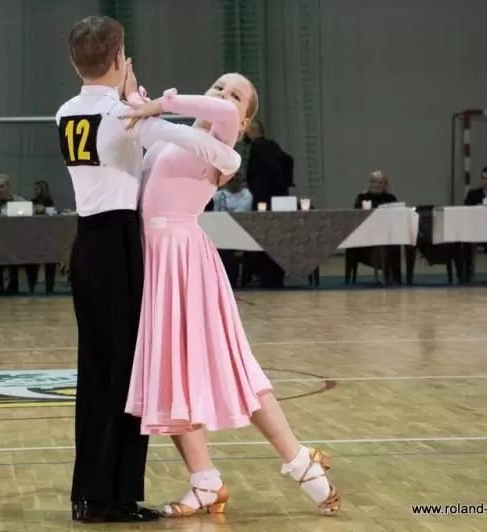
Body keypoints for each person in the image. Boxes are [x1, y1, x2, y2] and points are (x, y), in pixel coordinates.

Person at [120, 75, 341, 517]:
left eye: (236, 96)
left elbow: (186, 119)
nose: (222, 96)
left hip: (182, 261)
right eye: (219, 86)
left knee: (233, 368)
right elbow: (147, 132)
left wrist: (159, 104)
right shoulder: (174, 137)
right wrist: (132, 95)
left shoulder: (225, 147)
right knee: (170, 374)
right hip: (155, 260)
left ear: (243, 123)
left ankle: (300, 462)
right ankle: (206, 481)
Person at [56, 16, 242, 523]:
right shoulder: (124, 115)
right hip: (120, 245)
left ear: (74, 62)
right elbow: (216, 152)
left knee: (95, 371)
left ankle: (89, 493)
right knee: (127, 374)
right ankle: (115, 499)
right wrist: (224, 159)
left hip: (86, 244)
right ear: (120, 58)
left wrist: (129, 95)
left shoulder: (65, 111)